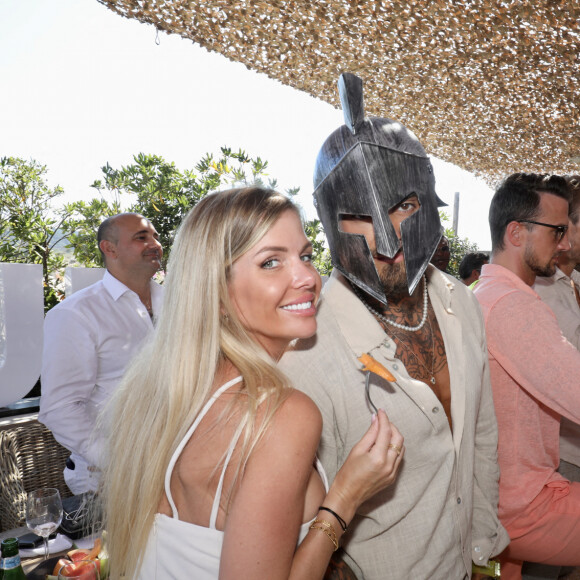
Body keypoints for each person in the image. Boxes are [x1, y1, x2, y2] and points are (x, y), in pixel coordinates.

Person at [101, 187, 404, 580]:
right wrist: (346, 497)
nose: (308, 277)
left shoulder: (165, 392)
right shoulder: (282, 414)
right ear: (217, 290)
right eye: (271, 262)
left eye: (306, 256)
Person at [280, 73, 509, 580]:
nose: (387, 240)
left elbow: (483, 433)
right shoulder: (303, 351)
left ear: (428, 199)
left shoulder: (462, 304)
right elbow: (297, 518)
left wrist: (483, 545)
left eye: (404, 206)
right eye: (360, 217)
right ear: (329, 223)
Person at [474, 173, 580, 580]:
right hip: (521, 507)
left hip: (503, 496)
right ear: (517, 233)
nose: (566, 244)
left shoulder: (486, 296)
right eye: (557, 231)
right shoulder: (513, 306)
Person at [39, 212, 164, 494]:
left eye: (155, 236)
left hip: (176, 464)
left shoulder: (178, 303)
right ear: (109, 248)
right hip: (110, 480)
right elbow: (60, 408)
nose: (155, 243)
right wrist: (117, 460)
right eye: (142, 237)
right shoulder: (75, 314)